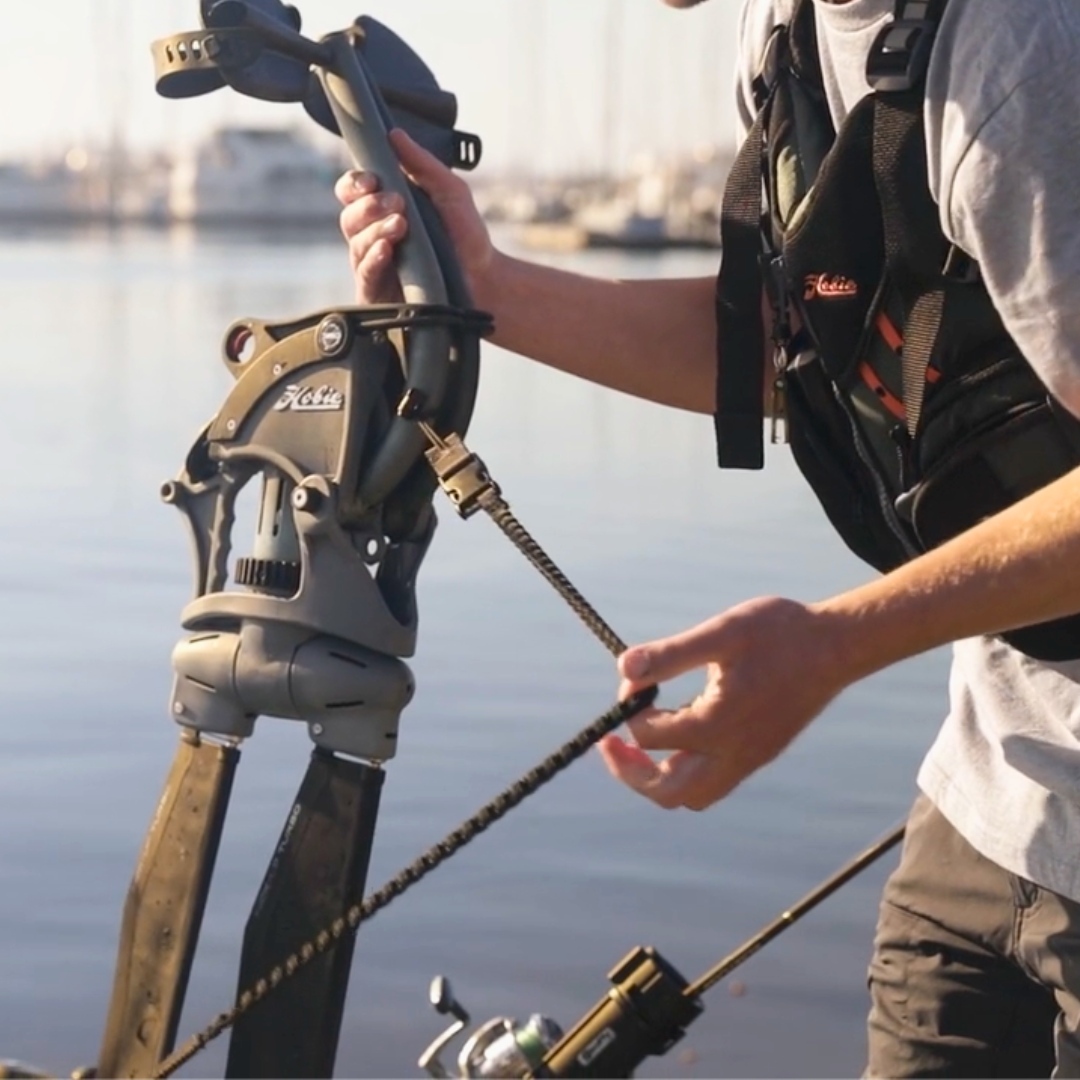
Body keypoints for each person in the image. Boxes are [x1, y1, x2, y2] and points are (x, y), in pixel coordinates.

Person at [336, 0, 1080, 1074]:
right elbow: (805, 343)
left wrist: (837, 644)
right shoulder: (788, 31)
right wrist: (485, 293)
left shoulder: (1022, 50)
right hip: (988, 804)